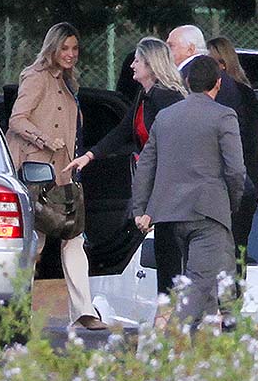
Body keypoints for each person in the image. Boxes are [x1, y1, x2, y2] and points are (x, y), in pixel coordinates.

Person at [63, 37, 187, 296]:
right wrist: (89, 156)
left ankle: (176, 318)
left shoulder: (169, 100)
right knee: (164, 256)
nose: (132, 65)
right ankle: (168, 317)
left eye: (138, 61)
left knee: (172, 257)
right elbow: (122, 132)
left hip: (171, 189)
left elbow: (172, 155)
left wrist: (151, 207)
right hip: (152, 183)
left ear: (151, 65)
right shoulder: (146, 95)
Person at [131, 56, 247, 328]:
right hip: (210, 212)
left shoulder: (166, 116)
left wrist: (141, 209)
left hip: (171, 214)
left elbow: (147, 163)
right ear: (217, 84)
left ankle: (205, 352)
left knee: (209, 284)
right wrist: (232, 201)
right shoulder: (224, 116)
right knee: (200, 281)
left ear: (187, 82)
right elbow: (236, 170)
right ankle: (172, 340)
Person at [5, 22, 106, 330]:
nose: (71, 54)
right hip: (38, 172)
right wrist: (46, 140)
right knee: (34, 241)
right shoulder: (36, 78)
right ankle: (14, 308)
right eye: (65, 48)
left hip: (63, 174)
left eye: (75, 49)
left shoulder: (67, 81)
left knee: (73, 238)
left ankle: (83, 310)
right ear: (52, 48)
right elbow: (17, 119)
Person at [206, 37, 258, 249]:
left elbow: (248, 138)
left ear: (222, 65)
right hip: (241, 171)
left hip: (246, 173)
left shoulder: (241, 94)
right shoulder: (236, 93)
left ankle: (234, 281)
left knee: (236, 238)